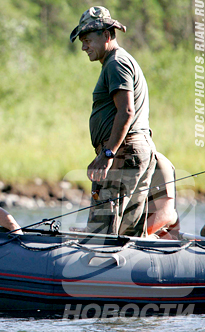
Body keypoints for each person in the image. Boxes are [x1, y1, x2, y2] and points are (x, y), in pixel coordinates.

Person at [70, 6, 156, 237]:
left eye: (87, 39)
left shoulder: (116, 63)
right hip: (134, 151)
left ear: (107, 35)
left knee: (101, 233)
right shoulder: (120, 61)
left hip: (123, 153)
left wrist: (107, 155)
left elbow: (127, 111)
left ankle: (94, 271)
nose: (83, 46)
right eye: (82, 41)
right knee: (129, 235)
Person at [146, 152, 180, 239]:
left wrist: (137, 235)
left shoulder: (159, 164)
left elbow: (165, 214)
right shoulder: (111, 161)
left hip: (155, 233)